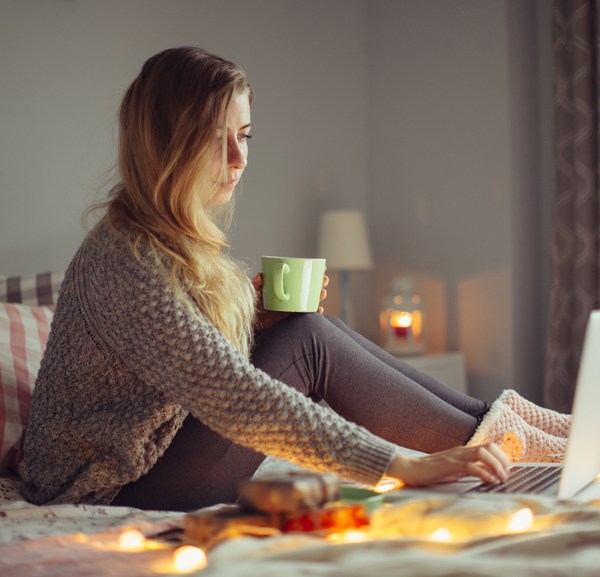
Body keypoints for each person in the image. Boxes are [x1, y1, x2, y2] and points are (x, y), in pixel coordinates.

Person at [19, 47, 570, 512]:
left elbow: (184, 370)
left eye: (245, 135)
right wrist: (400, 466)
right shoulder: (124, 262)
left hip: (154, 461)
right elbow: (234, 395)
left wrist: (258, 322)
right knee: (309, 343)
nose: (238, 158)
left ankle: (525, 428)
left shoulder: (169, 242)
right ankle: (517, 441)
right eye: (215, 138)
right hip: (106, 490)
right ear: (163, 144)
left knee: (305, 326)